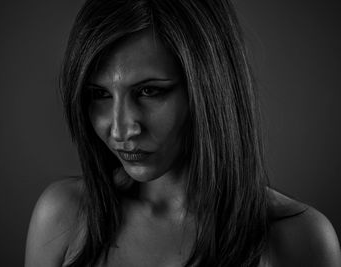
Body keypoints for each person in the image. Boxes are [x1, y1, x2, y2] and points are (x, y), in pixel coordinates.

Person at [25, 0, 341, 266]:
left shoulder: (298, 240)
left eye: (149, 91)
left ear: (209, 87)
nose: (121, 128)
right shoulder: (64, 216)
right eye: (100, 94)